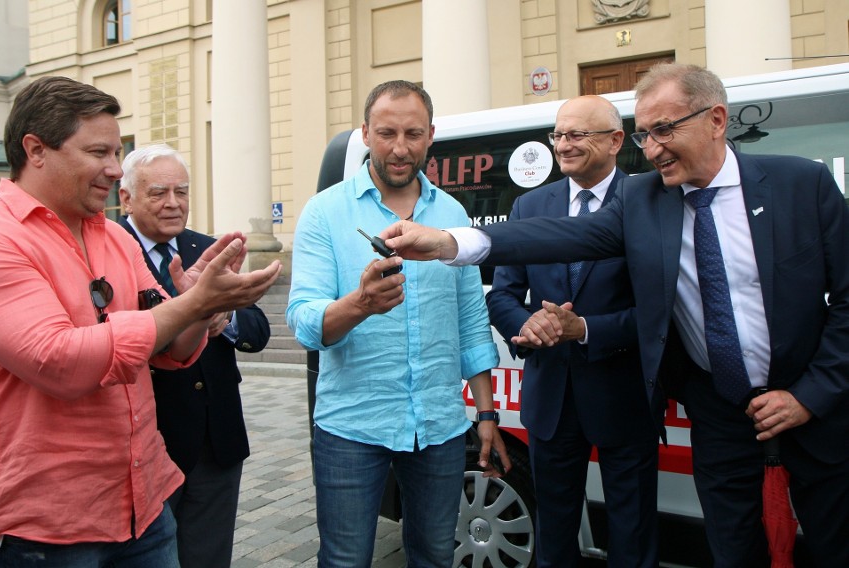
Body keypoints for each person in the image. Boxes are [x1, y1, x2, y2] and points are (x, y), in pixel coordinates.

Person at [381, 63, 849, 568]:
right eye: (645, 135)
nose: (651, 150)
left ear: (716, 120)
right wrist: (451, 241)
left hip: (815, 409)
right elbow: (559, 235)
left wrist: (809, 395)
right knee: (734, 550)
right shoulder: (646, 198)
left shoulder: (802, 184)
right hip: (721, 414)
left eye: (664, 130)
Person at [0, 76, 281, 567]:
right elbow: (58, 360)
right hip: (52, 530)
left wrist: (199, 304)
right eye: (100, 153)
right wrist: (187, 307)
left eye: (116, 152)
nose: (113, 169)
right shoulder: (6, 238)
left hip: (145, 506)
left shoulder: (113, 237)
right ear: (35, 150)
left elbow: (169, 351)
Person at [286, 79, 511, 567]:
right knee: (345, 559)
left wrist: (488, 413)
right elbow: (304, 322)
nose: (400, 147)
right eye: (387, 133)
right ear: (365, 133)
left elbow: (470, 319)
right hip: (351, 427)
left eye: (413, 134)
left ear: (430, 136)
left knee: (434, 554)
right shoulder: (325, 212)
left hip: (439, 426)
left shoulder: (451, 213)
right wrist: (360, 304)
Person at [485, 95, 661, 567]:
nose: (563, 145)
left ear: (615, 141)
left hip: (624, 394)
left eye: (577, 135)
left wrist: (584, 328)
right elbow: (501, 294)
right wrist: (529, 324)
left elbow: (661, 310)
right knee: (556, 532)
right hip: (552, 394)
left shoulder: (648, 201)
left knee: (633, 528)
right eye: (558, 135)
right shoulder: (530, 204)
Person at [117, 143, 271, 568]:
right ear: (126, 197)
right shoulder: (108, 250)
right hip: (148, 443)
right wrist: (190, 315)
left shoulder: (210, 248)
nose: (173, 203)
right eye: (159, 193)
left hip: (214, 442)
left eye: (181, 192)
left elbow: (258, 331)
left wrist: (226, 318)